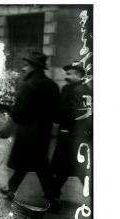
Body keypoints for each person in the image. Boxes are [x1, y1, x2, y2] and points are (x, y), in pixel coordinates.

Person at [0, 51, 61, 209]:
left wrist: (10, 120)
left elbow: (20, 110)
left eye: (27, 65)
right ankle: (11, 188)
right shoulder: (52, 85)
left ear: (33, 67)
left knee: (38, 165)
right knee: (28, 163)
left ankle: (54, 197)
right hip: (43, 131)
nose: (24, 68)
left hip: (27, 131)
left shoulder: (28, 85)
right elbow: (56, 112)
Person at [50, 63, 92, 207]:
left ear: (79, 75)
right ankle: (53, 193)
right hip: (75, 136)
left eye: (70, 74)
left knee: (72, 169)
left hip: (71, 136)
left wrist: (66, 128)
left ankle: (54, 195)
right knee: (66, 169)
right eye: (66, 73)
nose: (66, 76)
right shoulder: (84, 89)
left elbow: (78, 114)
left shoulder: (77, 90)